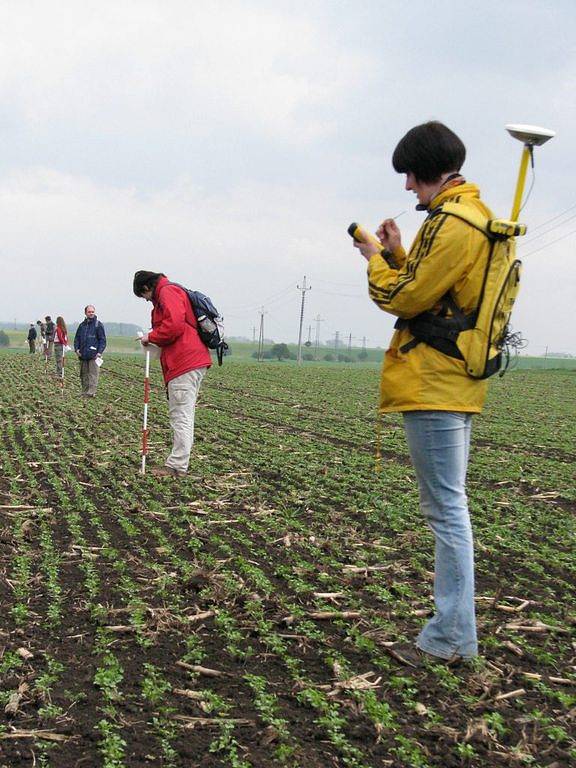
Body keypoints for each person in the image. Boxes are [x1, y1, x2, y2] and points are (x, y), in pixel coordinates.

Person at [354, 121, 494, 666]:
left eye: (410, 178)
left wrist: (374, 263)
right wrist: (396, 251)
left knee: (446, 511)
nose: (408, 188)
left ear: (426, 171)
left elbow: (410, 299)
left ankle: (451, 639)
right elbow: (439, 289)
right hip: (453, 379)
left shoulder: (455, 222)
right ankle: (452, 635)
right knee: (449, 507)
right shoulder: (469, 216)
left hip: (434, 378)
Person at [133, 271, 211, 478]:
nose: (147, 300)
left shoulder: (167, 292)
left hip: (184, 361)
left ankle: (177, 466)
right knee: (183, 414)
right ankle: (178, 463)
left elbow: (174, 326)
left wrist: (151, 337)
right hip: (188, 360)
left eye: (144, 296)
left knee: (181, 415)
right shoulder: (170, 292)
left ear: (146, 288)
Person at [74, 305, 106, 397]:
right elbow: (77, 339)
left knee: (93, 374)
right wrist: (76, 350)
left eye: (92, 311)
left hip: (94, 355)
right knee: (84, 374)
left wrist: (99, 352)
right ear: (85, 313)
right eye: (89, 312)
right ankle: (84, 391)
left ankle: (91, 392)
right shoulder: (82, 325)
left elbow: (102, 340)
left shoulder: (98, 325)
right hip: (83, 354)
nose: (91, 313)